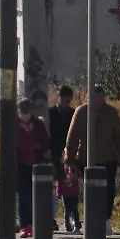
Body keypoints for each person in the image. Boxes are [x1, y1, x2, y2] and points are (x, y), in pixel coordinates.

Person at [64, 85, 120, 235]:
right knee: (90, 191)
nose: (96, 101)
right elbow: (73, 136)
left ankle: (106, 220)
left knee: (108, 190)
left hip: (108, 158)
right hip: (85, 159)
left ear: (103, 98)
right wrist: (69, 159)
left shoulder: (111, 113)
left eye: (99, 98)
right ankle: (91, 220)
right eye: (93, 98)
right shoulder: (81, 112)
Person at [14, 98, 50, 238]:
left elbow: (46, 141)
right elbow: (5, 144)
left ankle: (34, 225)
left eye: (27, 109)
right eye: (23, 109)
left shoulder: (37, 123)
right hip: (20, 166)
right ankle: (24, 225)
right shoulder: (14, 124)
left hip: (36, 165)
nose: (25, 112)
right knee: (23, 196)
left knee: (36, 197)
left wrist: (40, 148)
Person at [47, 86, 76, 223]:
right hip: (53, 153)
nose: (66, 100)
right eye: (64, 97)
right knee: (52, 187)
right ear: (59, 97)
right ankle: (51, 217)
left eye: (69, 97)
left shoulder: (74, 113)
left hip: (70, 153)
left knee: (68, 186)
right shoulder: (50, 113)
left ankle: (69, 214)